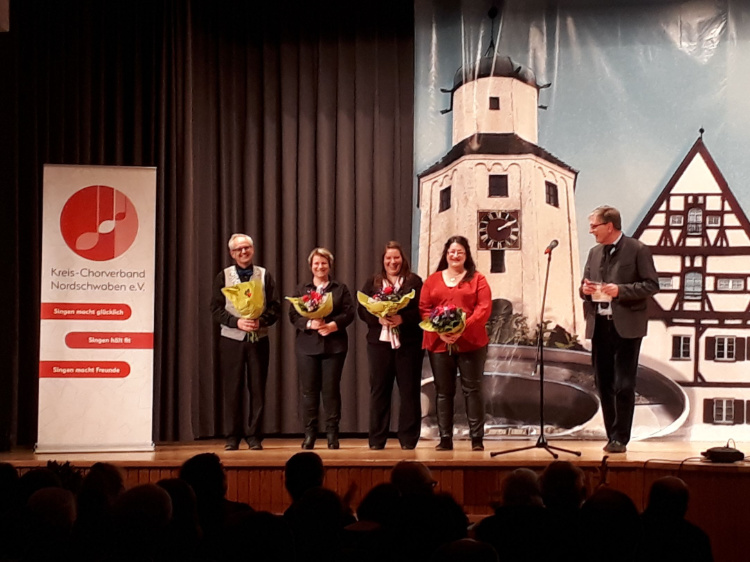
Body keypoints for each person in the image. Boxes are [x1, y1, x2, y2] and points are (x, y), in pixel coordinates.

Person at [580, 206, 658, 454]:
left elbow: (651, 285)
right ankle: (611, 434)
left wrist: (621, 291)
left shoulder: (637, 249)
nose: (591, 230)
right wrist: (584, 291)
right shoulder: (593, 253)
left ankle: (620, 438)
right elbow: (583, 287)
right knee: (604, 384)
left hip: (626, 327)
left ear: (609, 226)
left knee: (624, 384)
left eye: (594, 226)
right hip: (600, 325)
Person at [419, 235, 492, 451]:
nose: (455, 255)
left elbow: (484, 308)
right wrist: (441, 331)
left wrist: (462, 327)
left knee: (473, 389)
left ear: (466, 255)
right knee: (443, 391)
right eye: (451, 251)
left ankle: (476, 438)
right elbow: (424, 308)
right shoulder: (432, 280)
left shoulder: (478, 279)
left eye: (460, 251)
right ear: (446, 254)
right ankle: (445, 438)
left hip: (471, 342)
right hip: (439, 343)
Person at [211, 233, 280, 451]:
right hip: (231, 339)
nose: (243, 252)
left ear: (252, 249)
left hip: (259, 339)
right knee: (233, 388)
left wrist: (260, 321)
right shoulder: (223, 276)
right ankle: (232, 435)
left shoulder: (264, 275)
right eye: (239, 249)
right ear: (232, 253)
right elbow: (215, 309)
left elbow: (275, 306)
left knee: (257, 388)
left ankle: (254, 436)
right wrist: (236, 322)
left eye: (247, 248)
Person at [358, 241, 424, 450]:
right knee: (379, 390)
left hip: (409, 345)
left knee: (409, 390)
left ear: (402, 259)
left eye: (396, 258)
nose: (392, 262)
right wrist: (378, 319)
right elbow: (362, 310)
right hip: (379, 345)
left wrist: (403, 319)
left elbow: (423, 309)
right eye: (388, 258)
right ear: (383, 261)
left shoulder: (414, 282)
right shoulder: (373, 282)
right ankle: (377, 439)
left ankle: (408, 439)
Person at [289, 247, 355, 449]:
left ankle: (332, 434)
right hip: (307, 346)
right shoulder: (302, 289)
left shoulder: (339, 288)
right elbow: (293, 315)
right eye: (316, 263)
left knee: (331, 391)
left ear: (329, 265)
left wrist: (333, 325)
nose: (320, 266)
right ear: (311, 266)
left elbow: (349, 312)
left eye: (323, 263)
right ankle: (310, 434)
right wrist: (310, 324)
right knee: (309, 392)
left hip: (333, 346)